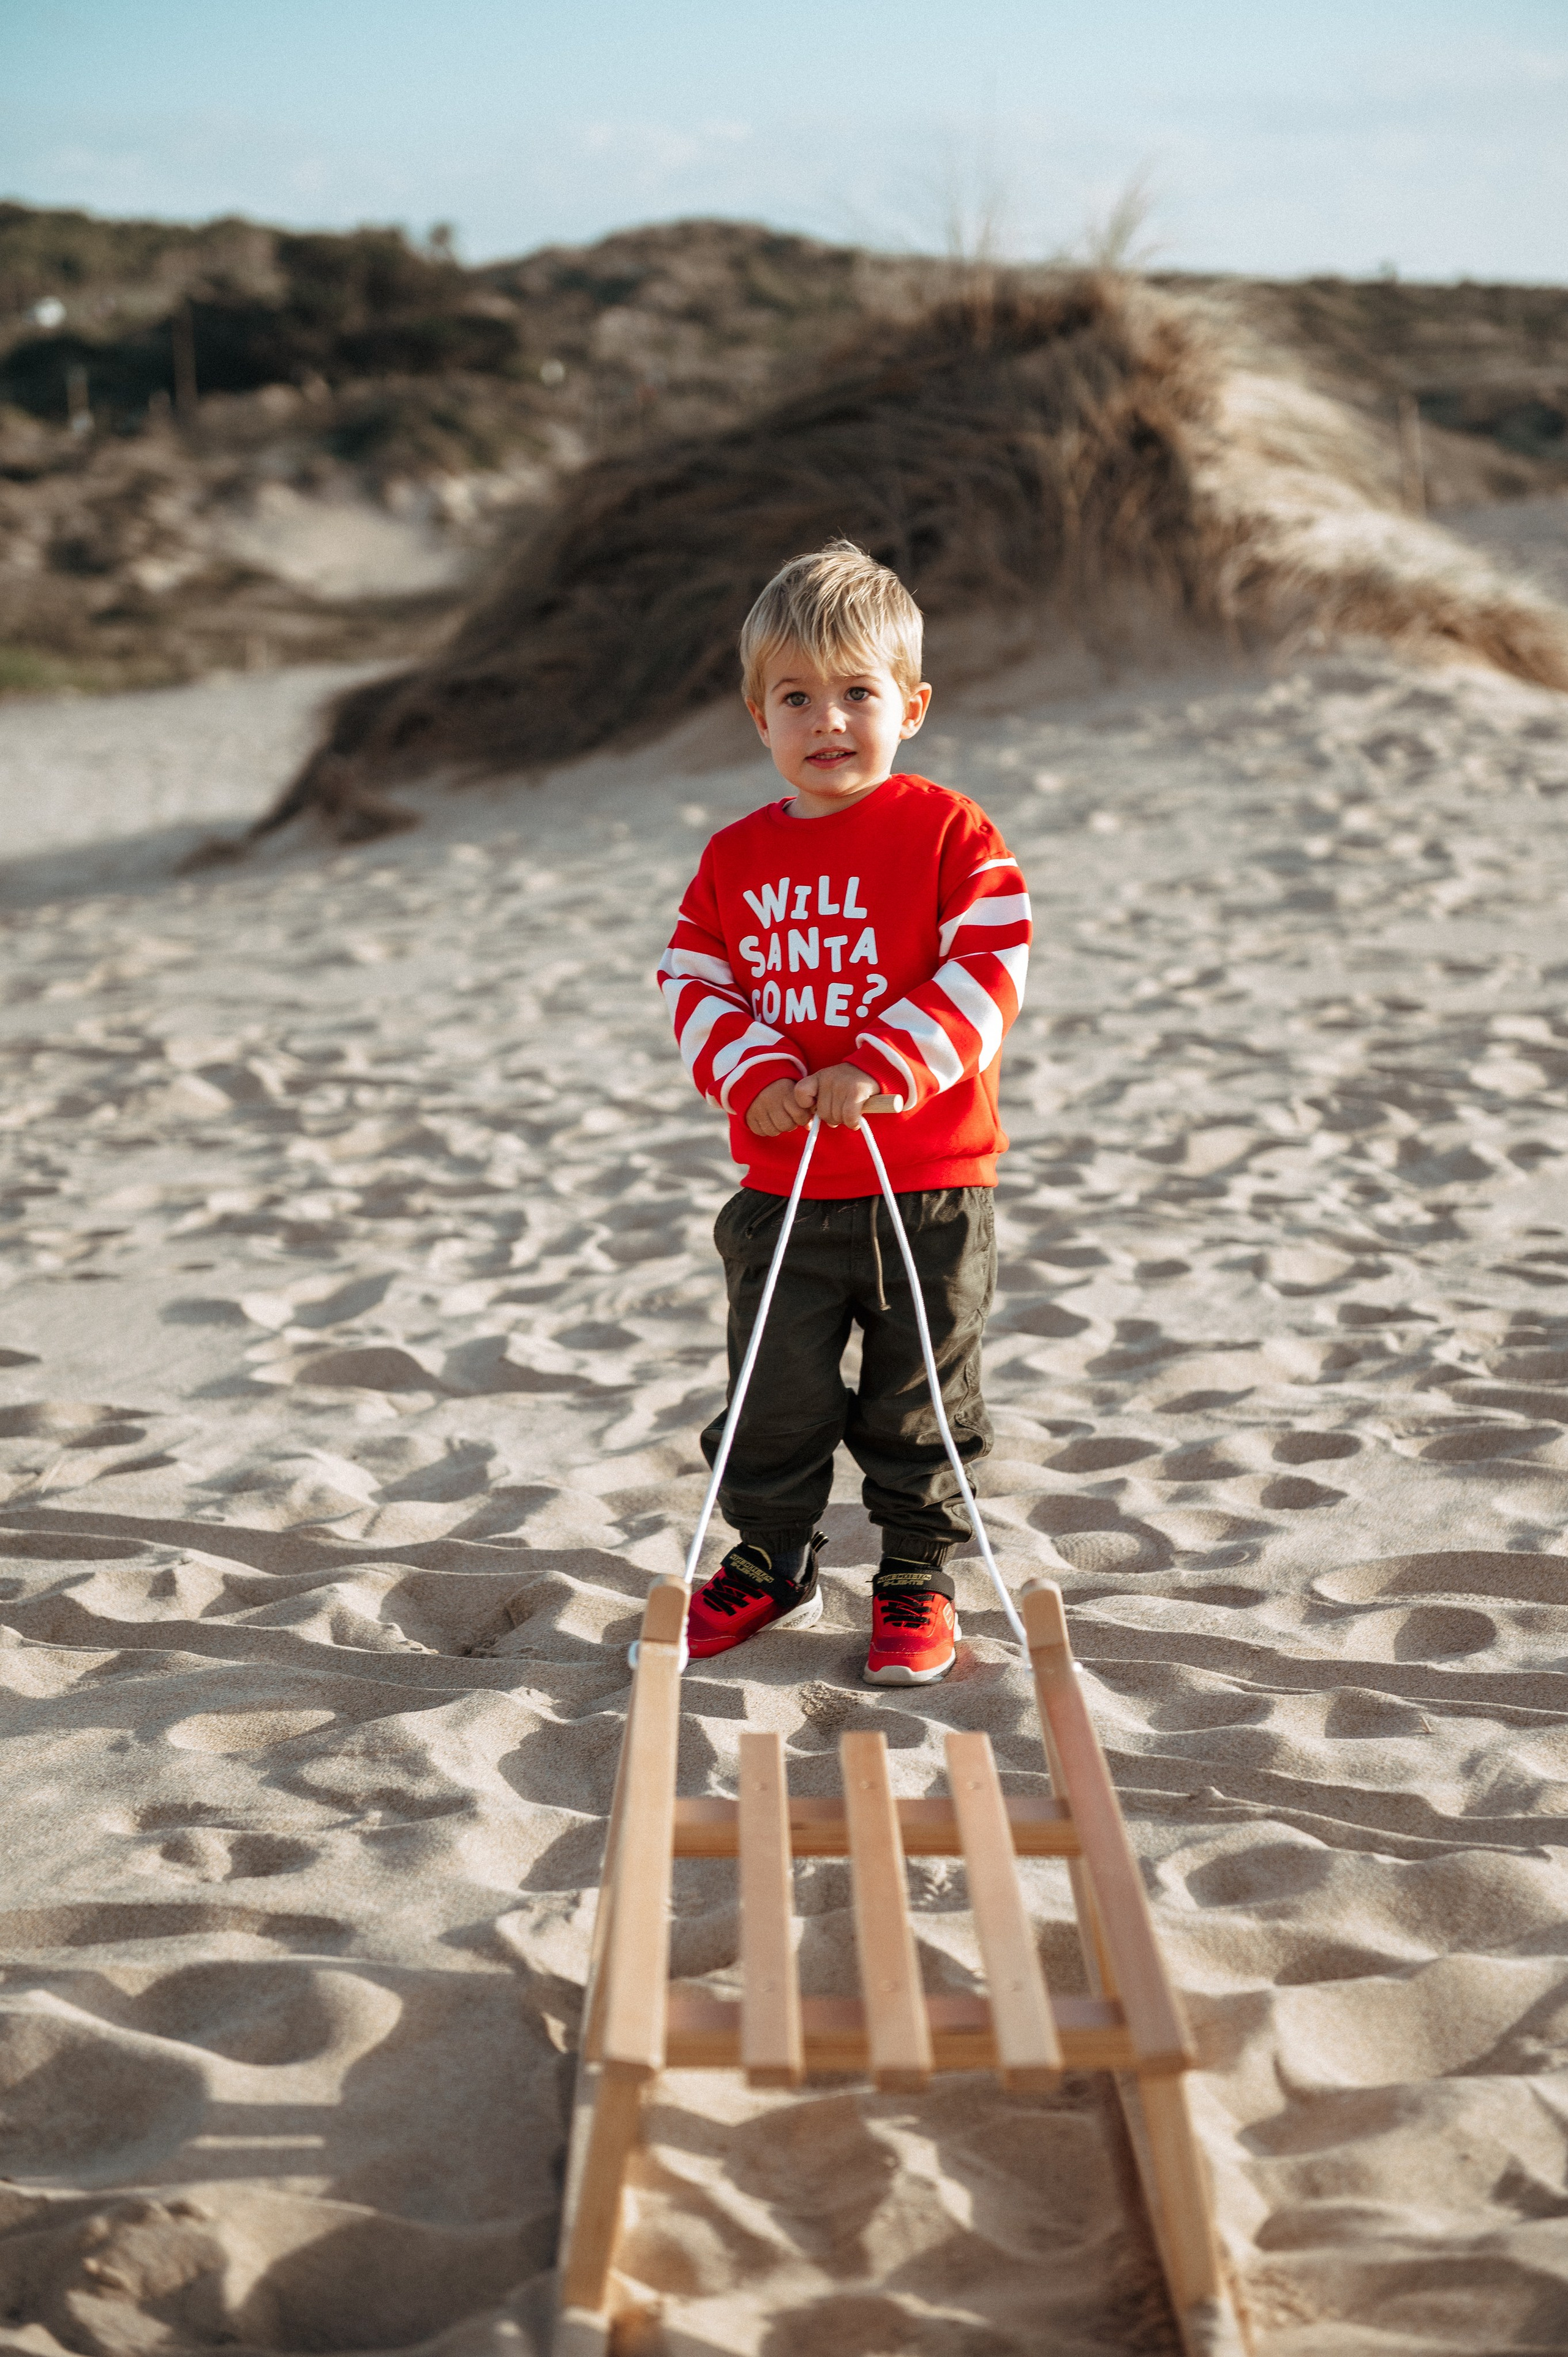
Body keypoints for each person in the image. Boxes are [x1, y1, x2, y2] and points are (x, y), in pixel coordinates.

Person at [657, 540, 1031, 1684]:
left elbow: (990, 966)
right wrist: (755, 1073)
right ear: (758, 716)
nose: (828, 720)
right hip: (787, 1189)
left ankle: (916, 1575)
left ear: (910, 707)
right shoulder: (736, 857)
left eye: (858, 693)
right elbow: (693, 979)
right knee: (772, 1399)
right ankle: (772, 1558)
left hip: (927, 1186)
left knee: (921, 1403)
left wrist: (880, 1063)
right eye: (796, 698)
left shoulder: (949, 832)